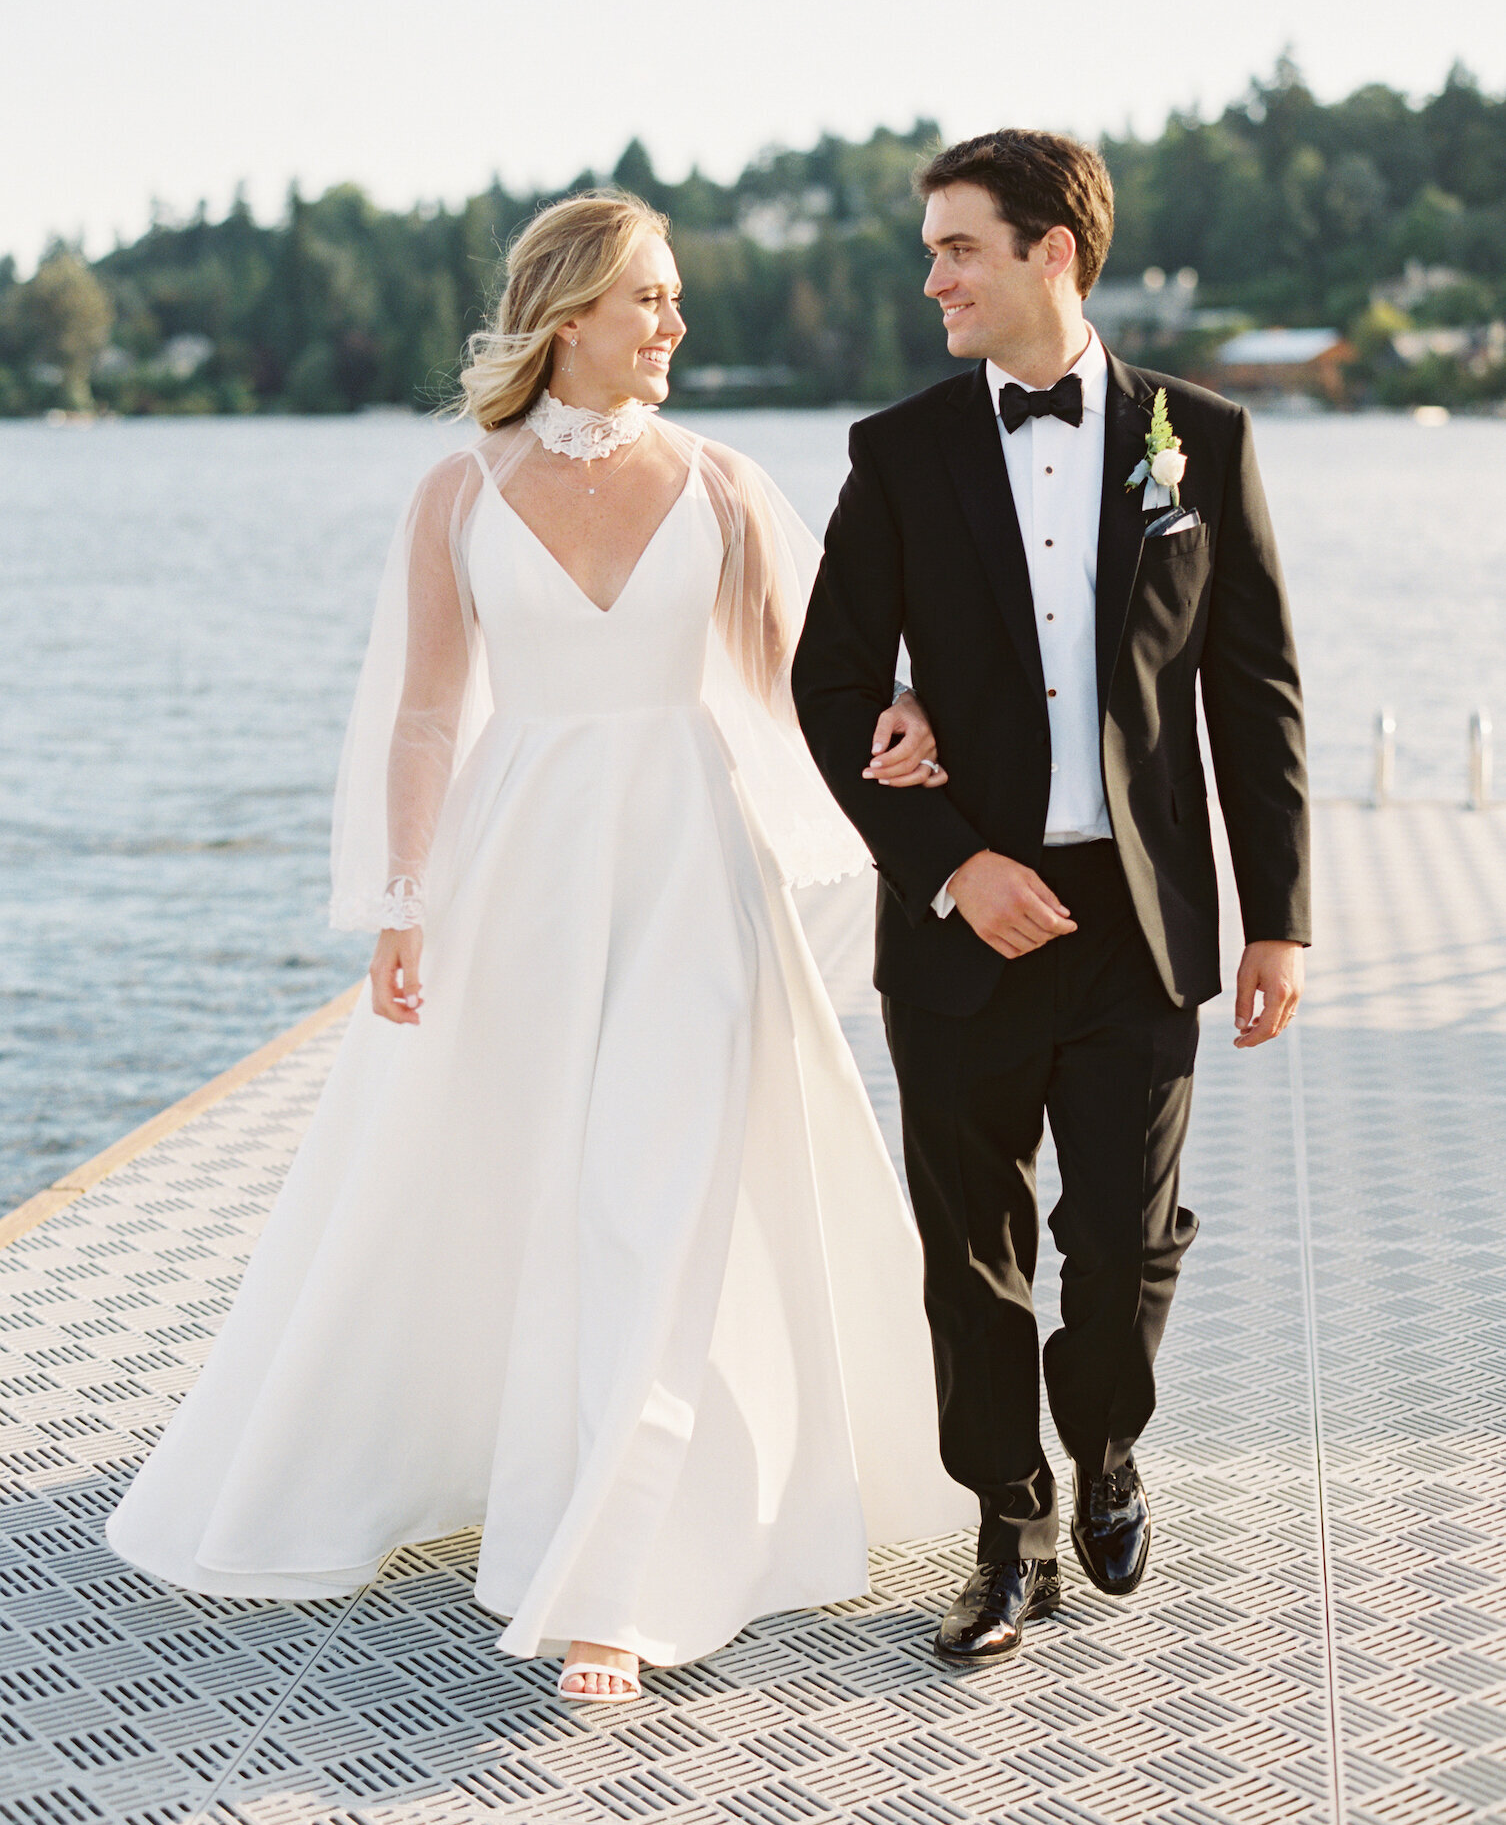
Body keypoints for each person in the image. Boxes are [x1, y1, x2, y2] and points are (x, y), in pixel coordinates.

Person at [107, 191, 974, 1704]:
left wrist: (909, 750)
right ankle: (502, 1462)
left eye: (676, 297)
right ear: (569, 310)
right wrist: (401, 894)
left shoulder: (718, 483)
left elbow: (806, 686)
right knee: (528, 1188)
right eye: (650, 297)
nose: (675, 323)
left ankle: (616, 1583)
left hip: (689, 875)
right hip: (515, 876)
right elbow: (431, 711)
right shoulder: (455, 489)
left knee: (663, 1193)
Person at [793, 129, 1311, 1665]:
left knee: (1125, 1236)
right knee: (971, 1249)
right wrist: (952, 860)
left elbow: (1255, 689)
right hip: (959, 932)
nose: (933, 277)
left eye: (959, 246)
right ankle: (1007, 1529)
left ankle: (1103, 1443)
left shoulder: (1194, 438)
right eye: (933, 248)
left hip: (1138, 925)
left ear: (1051, 255)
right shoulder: (895, 452)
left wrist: (1276, 915)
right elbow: (826, 685)